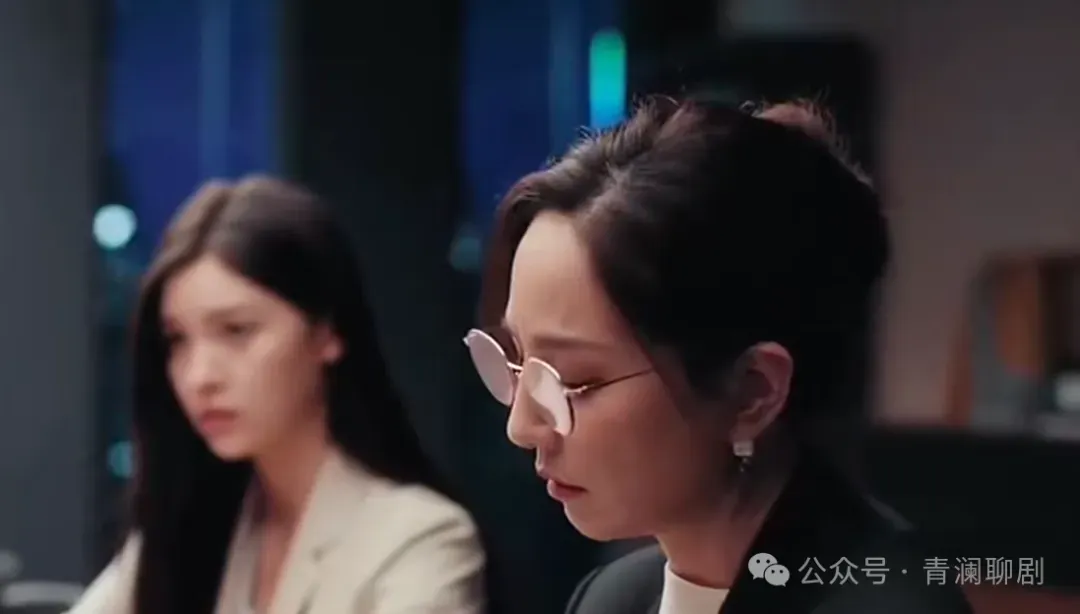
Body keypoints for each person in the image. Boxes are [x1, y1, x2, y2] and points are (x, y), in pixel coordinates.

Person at [463, 98, 973, 614]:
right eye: (517, 362)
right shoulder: (612, 598)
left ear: (753, 391)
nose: (521, 427)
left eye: (573, 380)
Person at [70, 177, 486, 614]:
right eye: (177, 340)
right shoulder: (190, 528)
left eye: (237, 331)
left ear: (327, 332)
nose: (199, 376)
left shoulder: (419, 540)